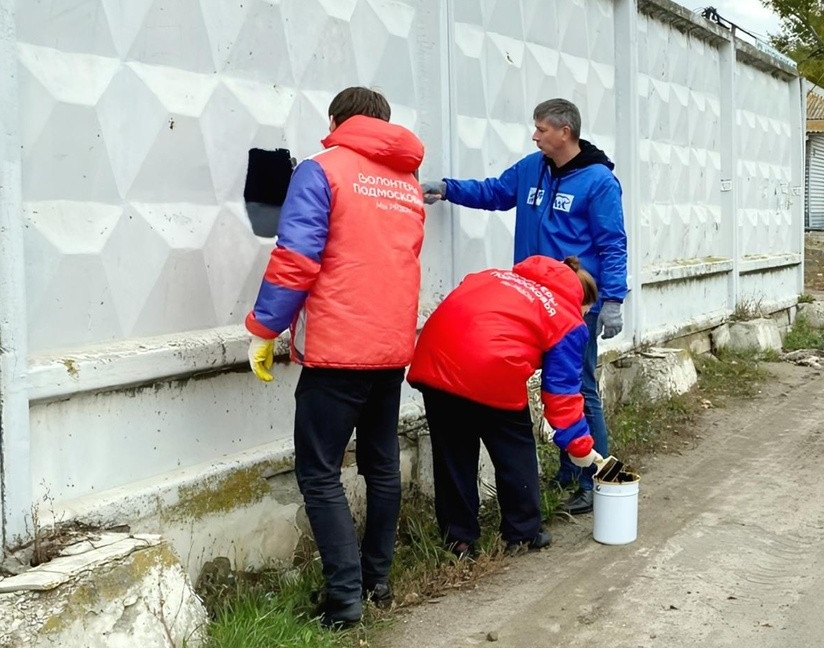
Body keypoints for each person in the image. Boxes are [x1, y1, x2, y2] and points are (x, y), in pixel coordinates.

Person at [245, 87, 425, 628]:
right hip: (391, 348)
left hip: (338, 350)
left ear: (335, 120)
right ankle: (378, 583)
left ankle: (345, 601)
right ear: (385, 123)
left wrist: (264, 328)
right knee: (381, 465)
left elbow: (296, 256)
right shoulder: (407, 182)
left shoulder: (322, 169)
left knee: (319, 472)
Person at [420, 98, 628, 514]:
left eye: (541, 129)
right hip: (530, 301)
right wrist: (447, 189)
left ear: (565, 132)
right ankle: (571, 470)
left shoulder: (598, 182)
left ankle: (594, 482)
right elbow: (496, 192)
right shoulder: (532, 169)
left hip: (573, 307)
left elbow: (612, 243)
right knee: (554, 389)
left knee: (579, 390)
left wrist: (613, 300)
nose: (535, 136)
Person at [407, 255, 605, 556]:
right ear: (581, 300)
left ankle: (458, 540)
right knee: (514, 449)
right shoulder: (567, 317)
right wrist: (580, 447)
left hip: (436, 360)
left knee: (453, 455)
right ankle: (523, 532)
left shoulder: (493, 276)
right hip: (491, 367)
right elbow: (562, 393)